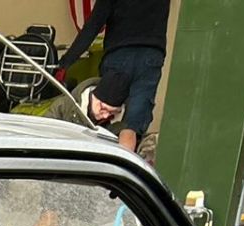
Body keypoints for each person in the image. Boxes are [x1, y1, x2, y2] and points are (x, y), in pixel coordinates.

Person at [55, 0, 172, 153]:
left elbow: (93, 25)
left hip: (119, 55)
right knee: (131, 126)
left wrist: (65, 62)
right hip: (151, 56)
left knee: (103, 118)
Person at [44, 68, 130, 135]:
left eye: (112, 112)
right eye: (103, 108)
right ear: (93, 96)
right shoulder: (63, 107)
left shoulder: (122, 124)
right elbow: (43, 133)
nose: (106, 115)